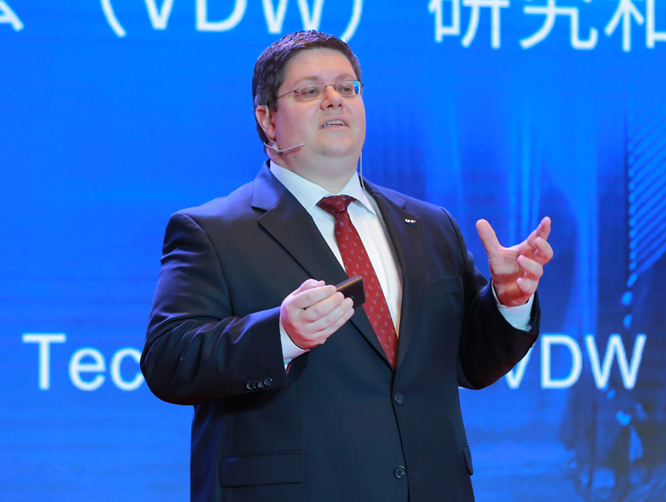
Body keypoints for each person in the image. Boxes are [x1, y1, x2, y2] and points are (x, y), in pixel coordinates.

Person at [141, 30, 553, 502]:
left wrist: (508, 302)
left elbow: (471, 363)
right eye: (309, 91)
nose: (334, 99)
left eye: (347, 87)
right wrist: (281, 335)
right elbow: (167, 360)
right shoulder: (213, 231)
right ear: (268, 120)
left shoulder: (429, 225)